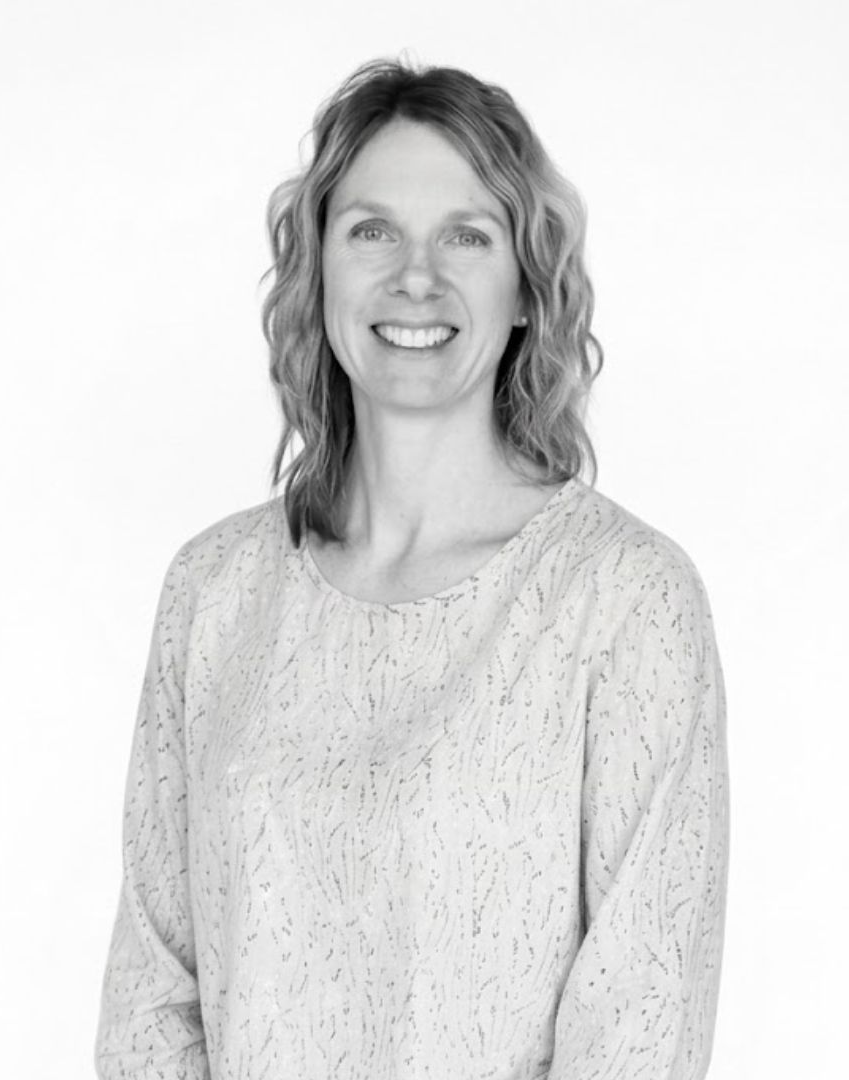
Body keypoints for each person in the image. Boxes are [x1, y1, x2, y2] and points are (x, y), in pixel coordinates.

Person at [94, 58, 729, 1080]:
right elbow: (151, 1001)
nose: (416, 277)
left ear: (527, 288)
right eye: (373, 230)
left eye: (468, 236)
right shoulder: (213, 594)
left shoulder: (625, 602)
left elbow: (640, 1031)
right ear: (320, 272)